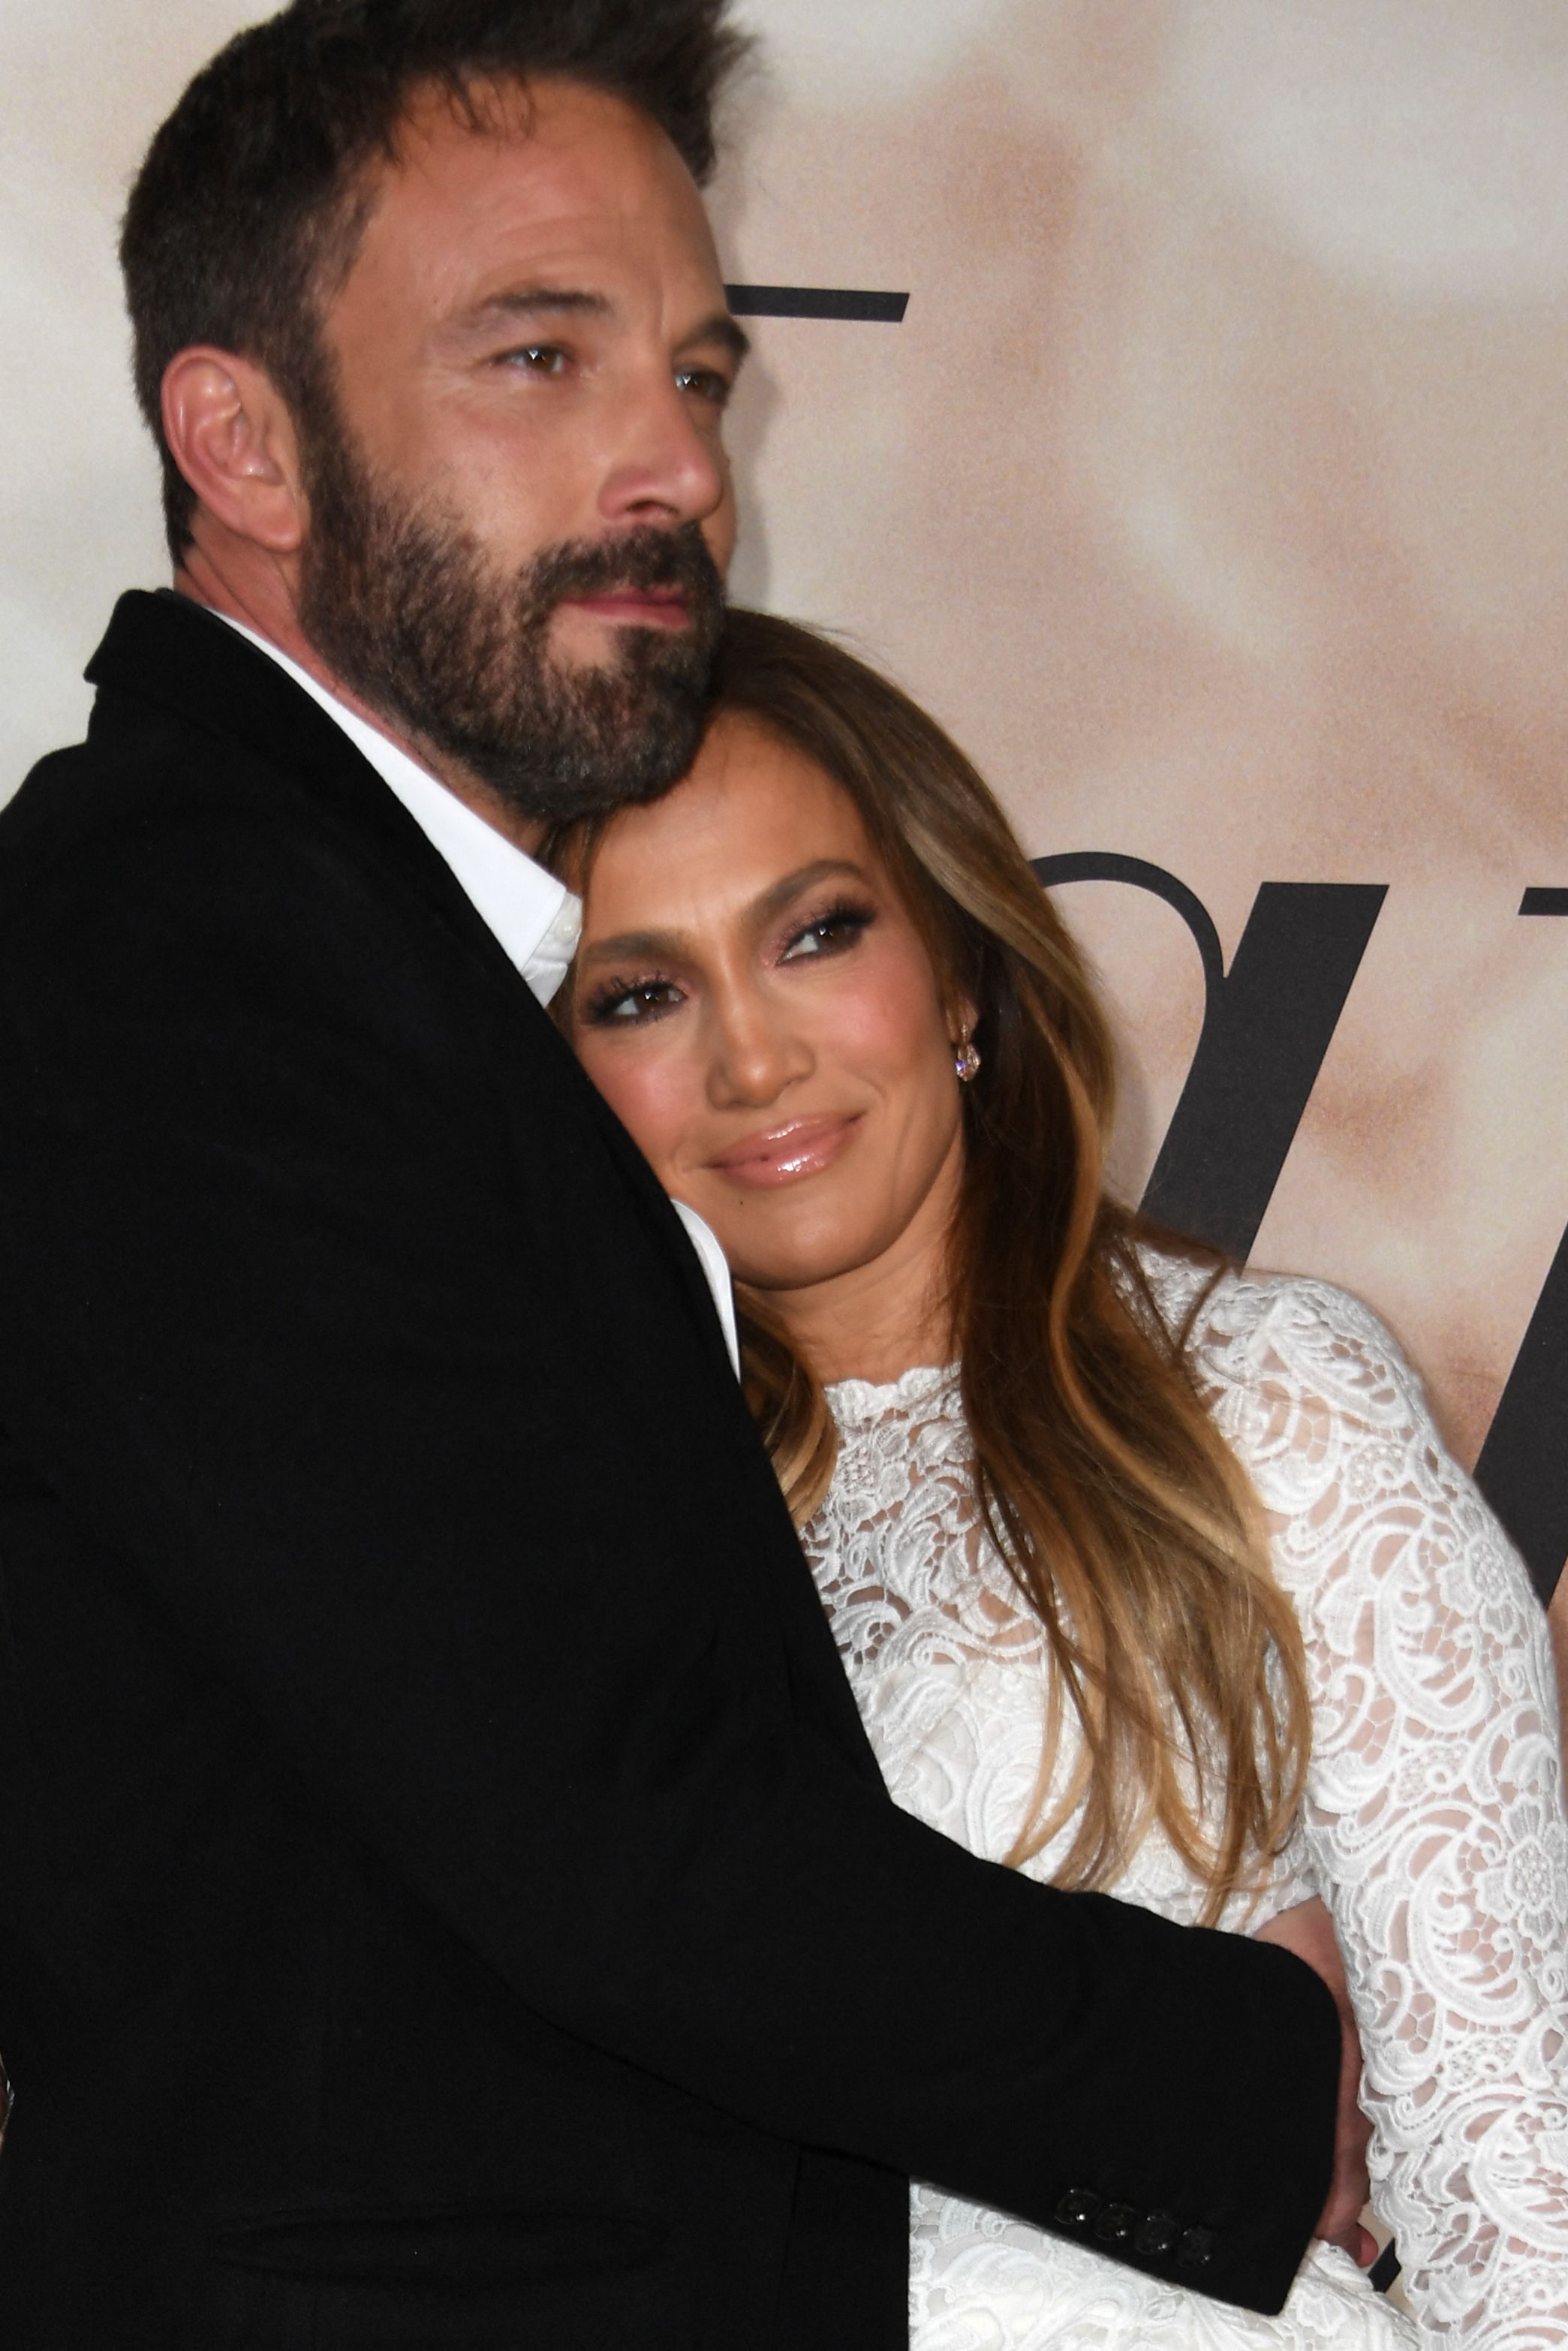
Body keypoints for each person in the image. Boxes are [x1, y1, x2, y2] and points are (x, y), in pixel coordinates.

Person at [0, 3, 1353, 2344]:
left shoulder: (343, 953)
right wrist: (1243, 2075)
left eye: (702, 376)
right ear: (240, 438)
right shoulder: (182, 939)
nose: (671, 465)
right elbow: (602, 1834)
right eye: (539, 359)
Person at [558, 607, 1568, 2349]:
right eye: (640, 992)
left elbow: (1510, 2189)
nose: (750, 1059)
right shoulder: (549, 1532)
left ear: (956, 969)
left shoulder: (1259, 1397)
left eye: (813, 935)